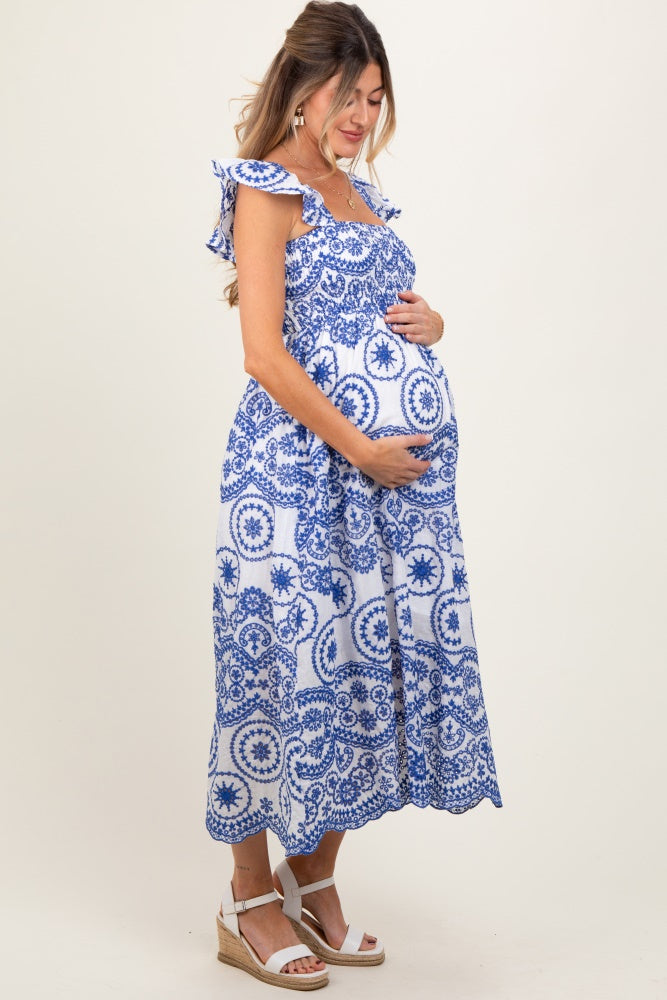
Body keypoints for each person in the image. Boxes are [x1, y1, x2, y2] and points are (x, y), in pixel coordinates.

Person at [205, 0, 502, 989]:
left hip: (383, 491)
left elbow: (378, 315)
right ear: (302, 86)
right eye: (349, 95)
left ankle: (315, 875)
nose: (363, 116)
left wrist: (431, 325)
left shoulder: (359, 191)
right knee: (275, 671)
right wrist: (360, 448)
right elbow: (263, 354)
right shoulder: (266, 188)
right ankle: (248, 900)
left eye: (376, 99)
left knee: (363, 674)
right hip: (295, 478)